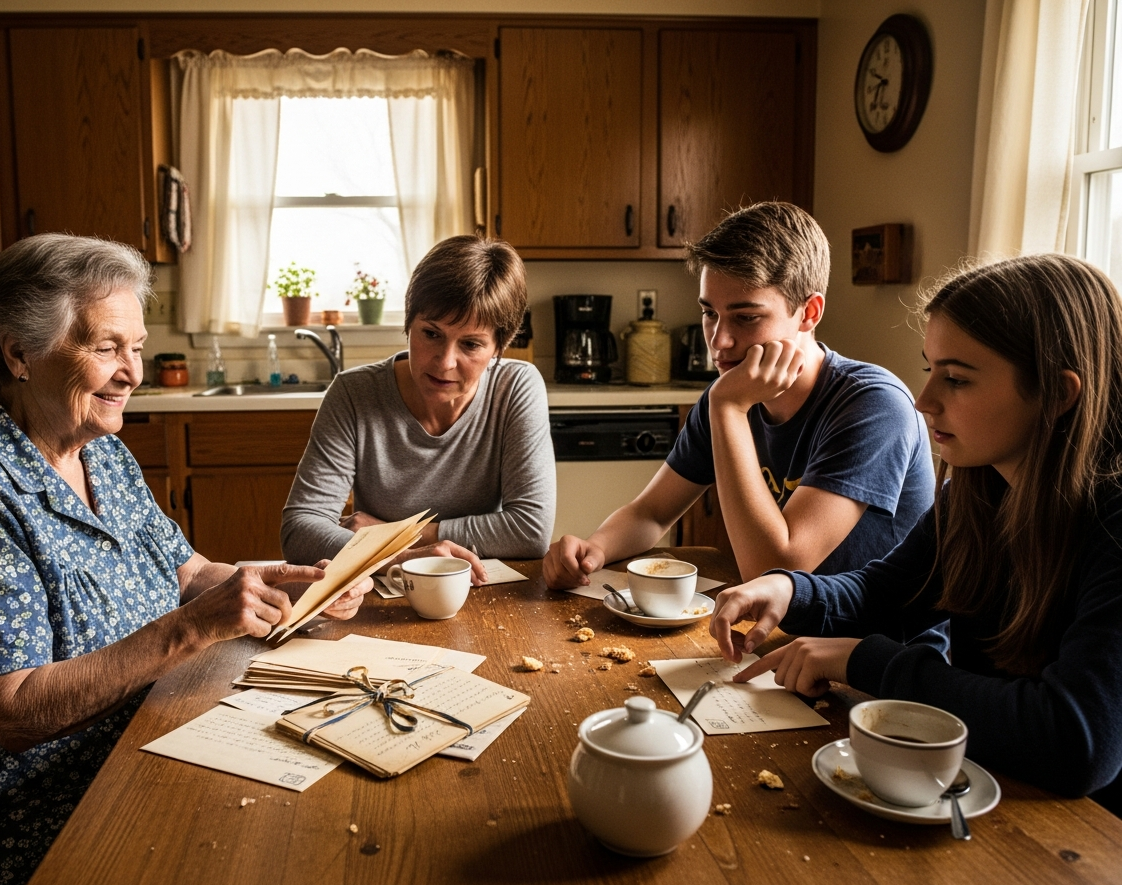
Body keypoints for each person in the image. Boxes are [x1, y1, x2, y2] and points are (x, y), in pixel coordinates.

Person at [0, 234, 372, 885]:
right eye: (107, 347)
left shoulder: (102, 454)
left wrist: (302, 583)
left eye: (136, 347)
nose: (133, 372)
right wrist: (191, 629)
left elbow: (188, 572)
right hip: (25, 815)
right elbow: (17, 712)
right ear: (19, 353)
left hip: (138, 742)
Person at [710, 254, 1122, 810]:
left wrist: (864, 662)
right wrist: (789, 589)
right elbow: (886, 594)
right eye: (930, 371)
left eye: (956, 378)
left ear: (1058, 392)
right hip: (984, 790)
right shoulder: (980, 493)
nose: (925, 402)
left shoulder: (1113, 521)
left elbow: (1079, 741)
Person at [543, 201, 935, 589]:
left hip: (876, 647)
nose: (719, 340)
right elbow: (651, 513)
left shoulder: (873, 406)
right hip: (785, 631)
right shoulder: (728, 395)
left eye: (746, 317)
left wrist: (728, 409)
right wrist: (594, 548)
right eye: (710, 312)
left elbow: (778, 568)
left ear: (809, 312)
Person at [281, 234, 555, 580]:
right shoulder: (353, 394)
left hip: (487, 592)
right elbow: (299, 530)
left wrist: (395, 534)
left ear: (499, 347)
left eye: (470, 344)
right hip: (378, 598)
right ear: (408, 323)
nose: (444, 362)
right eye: (431, 334)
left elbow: (530, 530)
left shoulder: (516, 387)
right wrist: (405, 556)